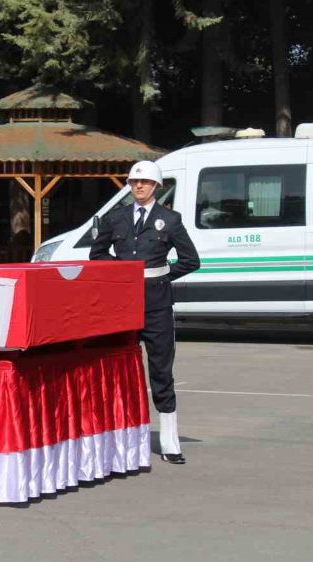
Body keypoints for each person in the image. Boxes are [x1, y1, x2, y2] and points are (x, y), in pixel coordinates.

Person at [90, 160, 201, 464]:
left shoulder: (171, 219)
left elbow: (191, 260)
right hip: (123, 304)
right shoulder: (116, 218)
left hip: (156, 304)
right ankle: (118, 437)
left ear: (156, 187)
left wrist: (162, 276)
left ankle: (169, 440)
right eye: (134, 182)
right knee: (118, 370)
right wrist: (124, 273)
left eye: (145, 183)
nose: (138, 187)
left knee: (161, 370)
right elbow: (96, 254)